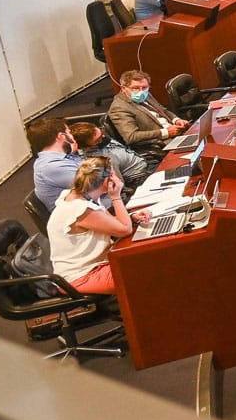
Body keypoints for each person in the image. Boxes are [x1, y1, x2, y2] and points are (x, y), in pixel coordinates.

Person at [48, 158, 146, 294]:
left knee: (146, 259)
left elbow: (110, 222)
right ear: (108, 181)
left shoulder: (80, 196)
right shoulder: (80, 209)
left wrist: (131, 217)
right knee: (145, 273)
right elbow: (124, 230)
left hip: (95, 264)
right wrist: (115, 196)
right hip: (81, 276)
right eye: (113, 173)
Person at [107, 69, 189, 161]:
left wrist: (176, 120)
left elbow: (163, 110)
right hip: (163, 142)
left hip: (177, 133)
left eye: (144, 87)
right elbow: (131, 137)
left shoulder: (146, 94)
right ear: (123, 88)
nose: (141, 91)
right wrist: (166, 132)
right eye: (135, 88)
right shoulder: (119, 108)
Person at [68, 121, 149, 190]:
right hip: (138, 178)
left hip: (144, 165)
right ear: (86, 147)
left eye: (101, 133)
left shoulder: (103, 140)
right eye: (98, 140)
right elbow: (119, 184)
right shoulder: (101, 159)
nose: (103, 137)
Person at [28, 117, 84, 211]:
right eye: (69, 132)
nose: (72, 136)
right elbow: (97, 184)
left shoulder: (64, 156)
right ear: (61, 136)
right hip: (79, 216)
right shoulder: (52, 166)